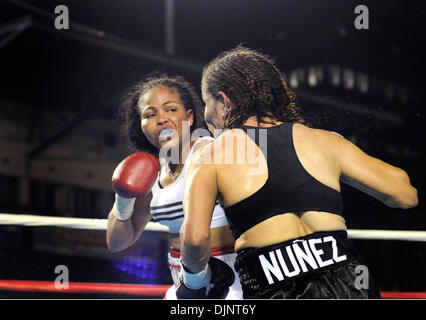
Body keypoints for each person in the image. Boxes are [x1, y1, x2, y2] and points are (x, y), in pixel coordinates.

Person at [178, 46, 419, 299]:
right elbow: (406, 195)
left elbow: (194, 239)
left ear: (224, 100)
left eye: (207, 103)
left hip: (275, 286)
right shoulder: (325, 141)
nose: (206, 117)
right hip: (350, 283)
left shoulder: (210, 154)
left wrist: (194, 282)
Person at [106, 74, 242, 299]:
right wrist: (123, 197)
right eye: (150, 114)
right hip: (181, 275)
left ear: (189, 118)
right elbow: (118, 242)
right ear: (141, 127)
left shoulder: (210, 152)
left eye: (170, 109)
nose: (161, 119)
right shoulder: (150, 172)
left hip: (228, 273)